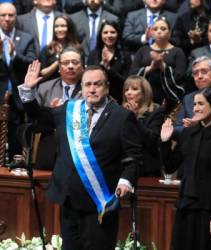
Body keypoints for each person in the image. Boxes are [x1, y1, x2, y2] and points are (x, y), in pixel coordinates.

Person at [20, 64, 143, 250]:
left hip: (100, 203)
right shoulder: (69, 110)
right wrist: (28, 91)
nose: (92, 89)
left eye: (97, 84)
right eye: (87, 85)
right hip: (68, 199)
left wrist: (126, 180)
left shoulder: (122, 117)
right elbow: (39, 116)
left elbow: (134, 156)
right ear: (82, 87)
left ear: (107, 87)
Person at [160, 87, 211, 250]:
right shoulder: (188, 133)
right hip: (186, 206)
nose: (195, 108)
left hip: (208, 210)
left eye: (201, 104)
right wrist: (165, 141)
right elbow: (170, 165)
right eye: (194, 104)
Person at [18, 46, 84, 170]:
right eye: (65, 63)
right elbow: (35, 118)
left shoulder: (90, 89)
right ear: (59, 68)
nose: (70, 66)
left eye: (75, 62)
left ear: (82, 67)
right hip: (50, 151)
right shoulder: (45, 88)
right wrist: (28, 90)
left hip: (81, 154)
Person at [0, 2, 36, 160]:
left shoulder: (26, 38)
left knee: (16, 138)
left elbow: (32, 63)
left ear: (16, 17)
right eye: (3, 15)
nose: (7, 19)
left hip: (17, 98)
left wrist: (14, 55)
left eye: (11, 15)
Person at [130, 16, 186, 111]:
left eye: (163, 29)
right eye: (155, 29)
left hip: (169, 98)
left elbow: (181, 75)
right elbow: (132, 73)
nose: (159, 31)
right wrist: (150, 68)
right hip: (145, 97)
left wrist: (162, 65)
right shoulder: (142, 50)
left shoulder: (178, 51)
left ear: (170, 32)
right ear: (151, 33)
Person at [122, 75, 165, 176]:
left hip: (147, 169)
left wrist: (134, 118)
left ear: (144, 93)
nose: (129, 93)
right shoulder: (120, 113)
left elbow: (152, 140)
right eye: (126, 89)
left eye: (134, 89)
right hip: (124, 168)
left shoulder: (157, 112)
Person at [87, 20, 130, 103]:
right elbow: (88, 78)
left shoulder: (124, 55)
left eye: (112, 32)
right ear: (101, 35)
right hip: (96, 99)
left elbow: (126, 82)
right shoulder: (93, 54)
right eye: (105, 32)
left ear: (118, 34)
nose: (109, 35)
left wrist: (109, 69)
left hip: (118, 99)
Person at [39, 15, 81, 82]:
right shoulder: (48, 49)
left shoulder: (78, 49)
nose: (59, 29)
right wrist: (58, 62)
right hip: (51, 87)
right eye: (56, 26)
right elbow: (42, 74)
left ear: (69, 28)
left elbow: (82, 72)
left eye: (63, 26)